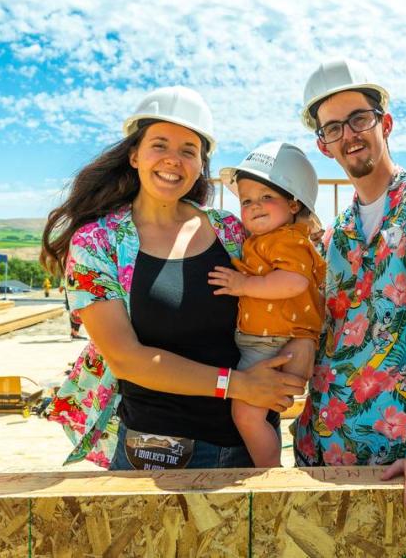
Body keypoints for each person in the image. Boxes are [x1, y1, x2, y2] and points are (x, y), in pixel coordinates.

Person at [41, 86, 306, 470]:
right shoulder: (99, 243)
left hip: (247, 447)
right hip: (156, 456)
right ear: (134, 155)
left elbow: (290, 286)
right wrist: (237, 384)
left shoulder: (230, 232)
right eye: (159, 145)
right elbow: (126, 359)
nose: (173, 160)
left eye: (188, 150)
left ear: (202, 164)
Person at [292, 59, 406, 514]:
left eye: (358, 119)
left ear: (384, 123)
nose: (348, 134)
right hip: (321, 451)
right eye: (332, 128)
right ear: (323, 145)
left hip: (396, 464)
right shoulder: (338, 235)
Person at [208, 142, 326, 467]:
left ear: (293, 203)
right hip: (268, 339)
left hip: (269, 342)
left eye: (266, 197)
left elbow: (294, 281)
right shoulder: (263, 240)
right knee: (254, 412)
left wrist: (243, 284)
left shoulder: (288, 239)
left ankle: (269, 473)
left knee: (246, 413)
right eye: (247, 200)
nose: (254, 206)